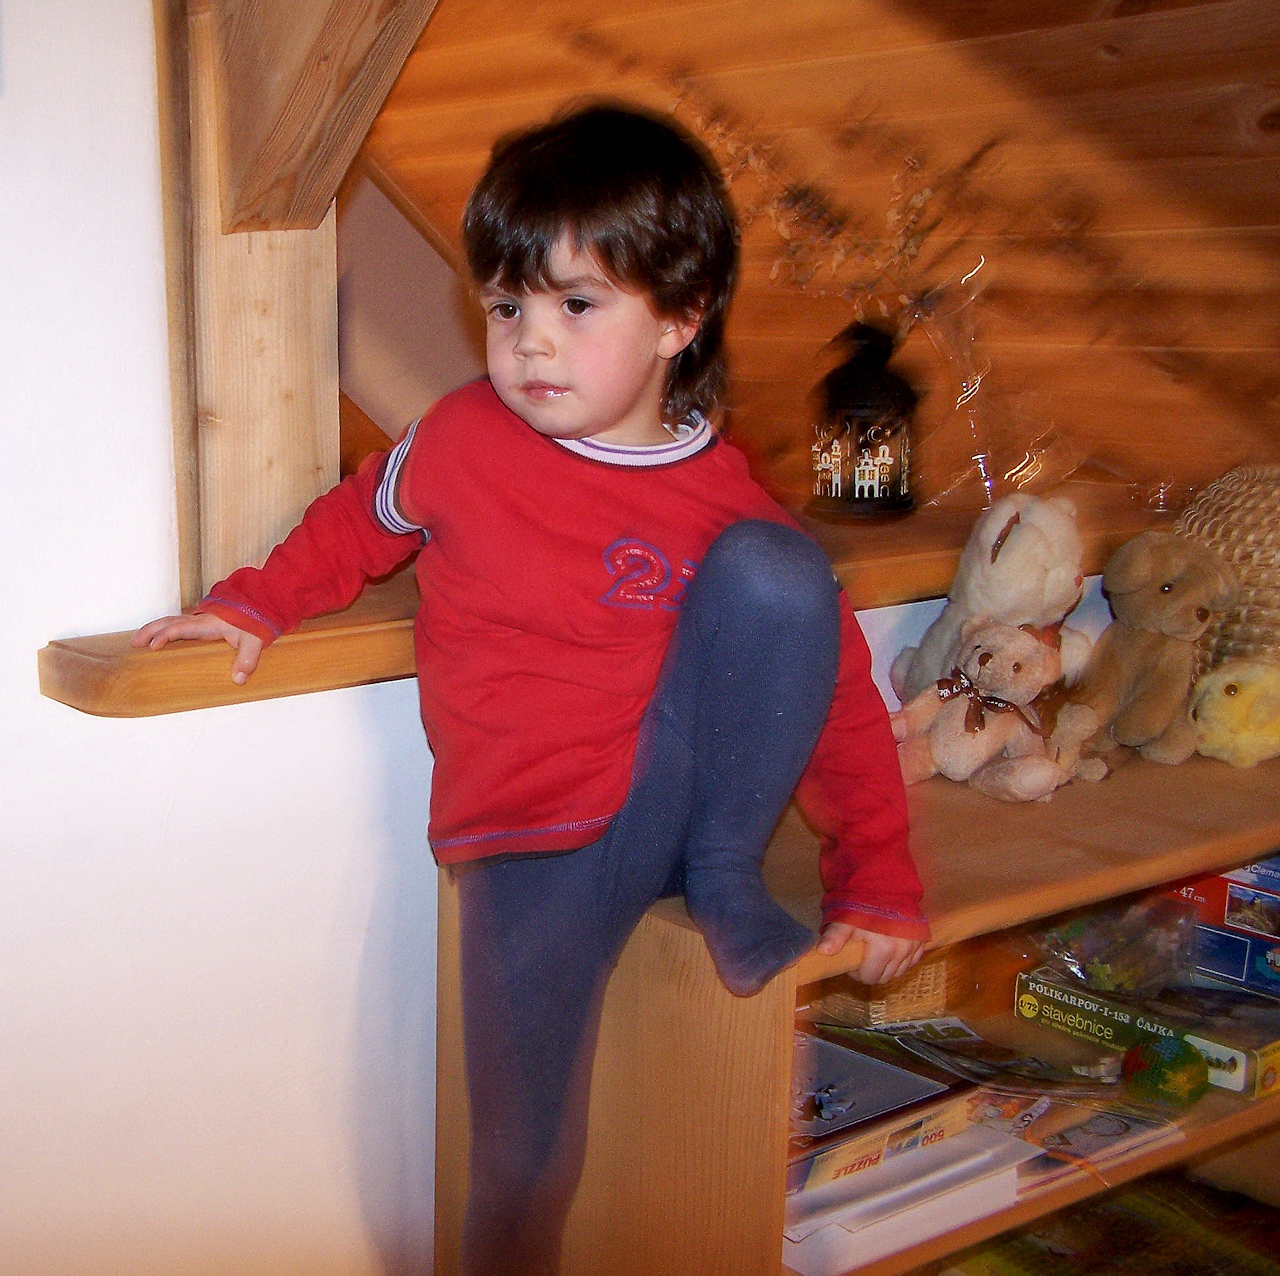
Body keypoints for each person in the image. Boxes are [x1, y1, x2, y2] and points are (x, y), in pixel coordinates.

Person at [134, 102, 928, 1275]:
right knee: (522, 1158)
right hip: (526, 840)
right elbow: (355, 523)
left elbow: (831, 692)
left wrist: (876, 875)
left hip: (680, 810)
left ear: (680, 317)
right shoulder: (459, 438)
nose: (529, 345)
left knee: (781, 574)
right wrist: (252, 602)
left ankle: (723, 876)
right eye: (507, 307)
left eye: (576, 306)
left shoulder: (722, 494)